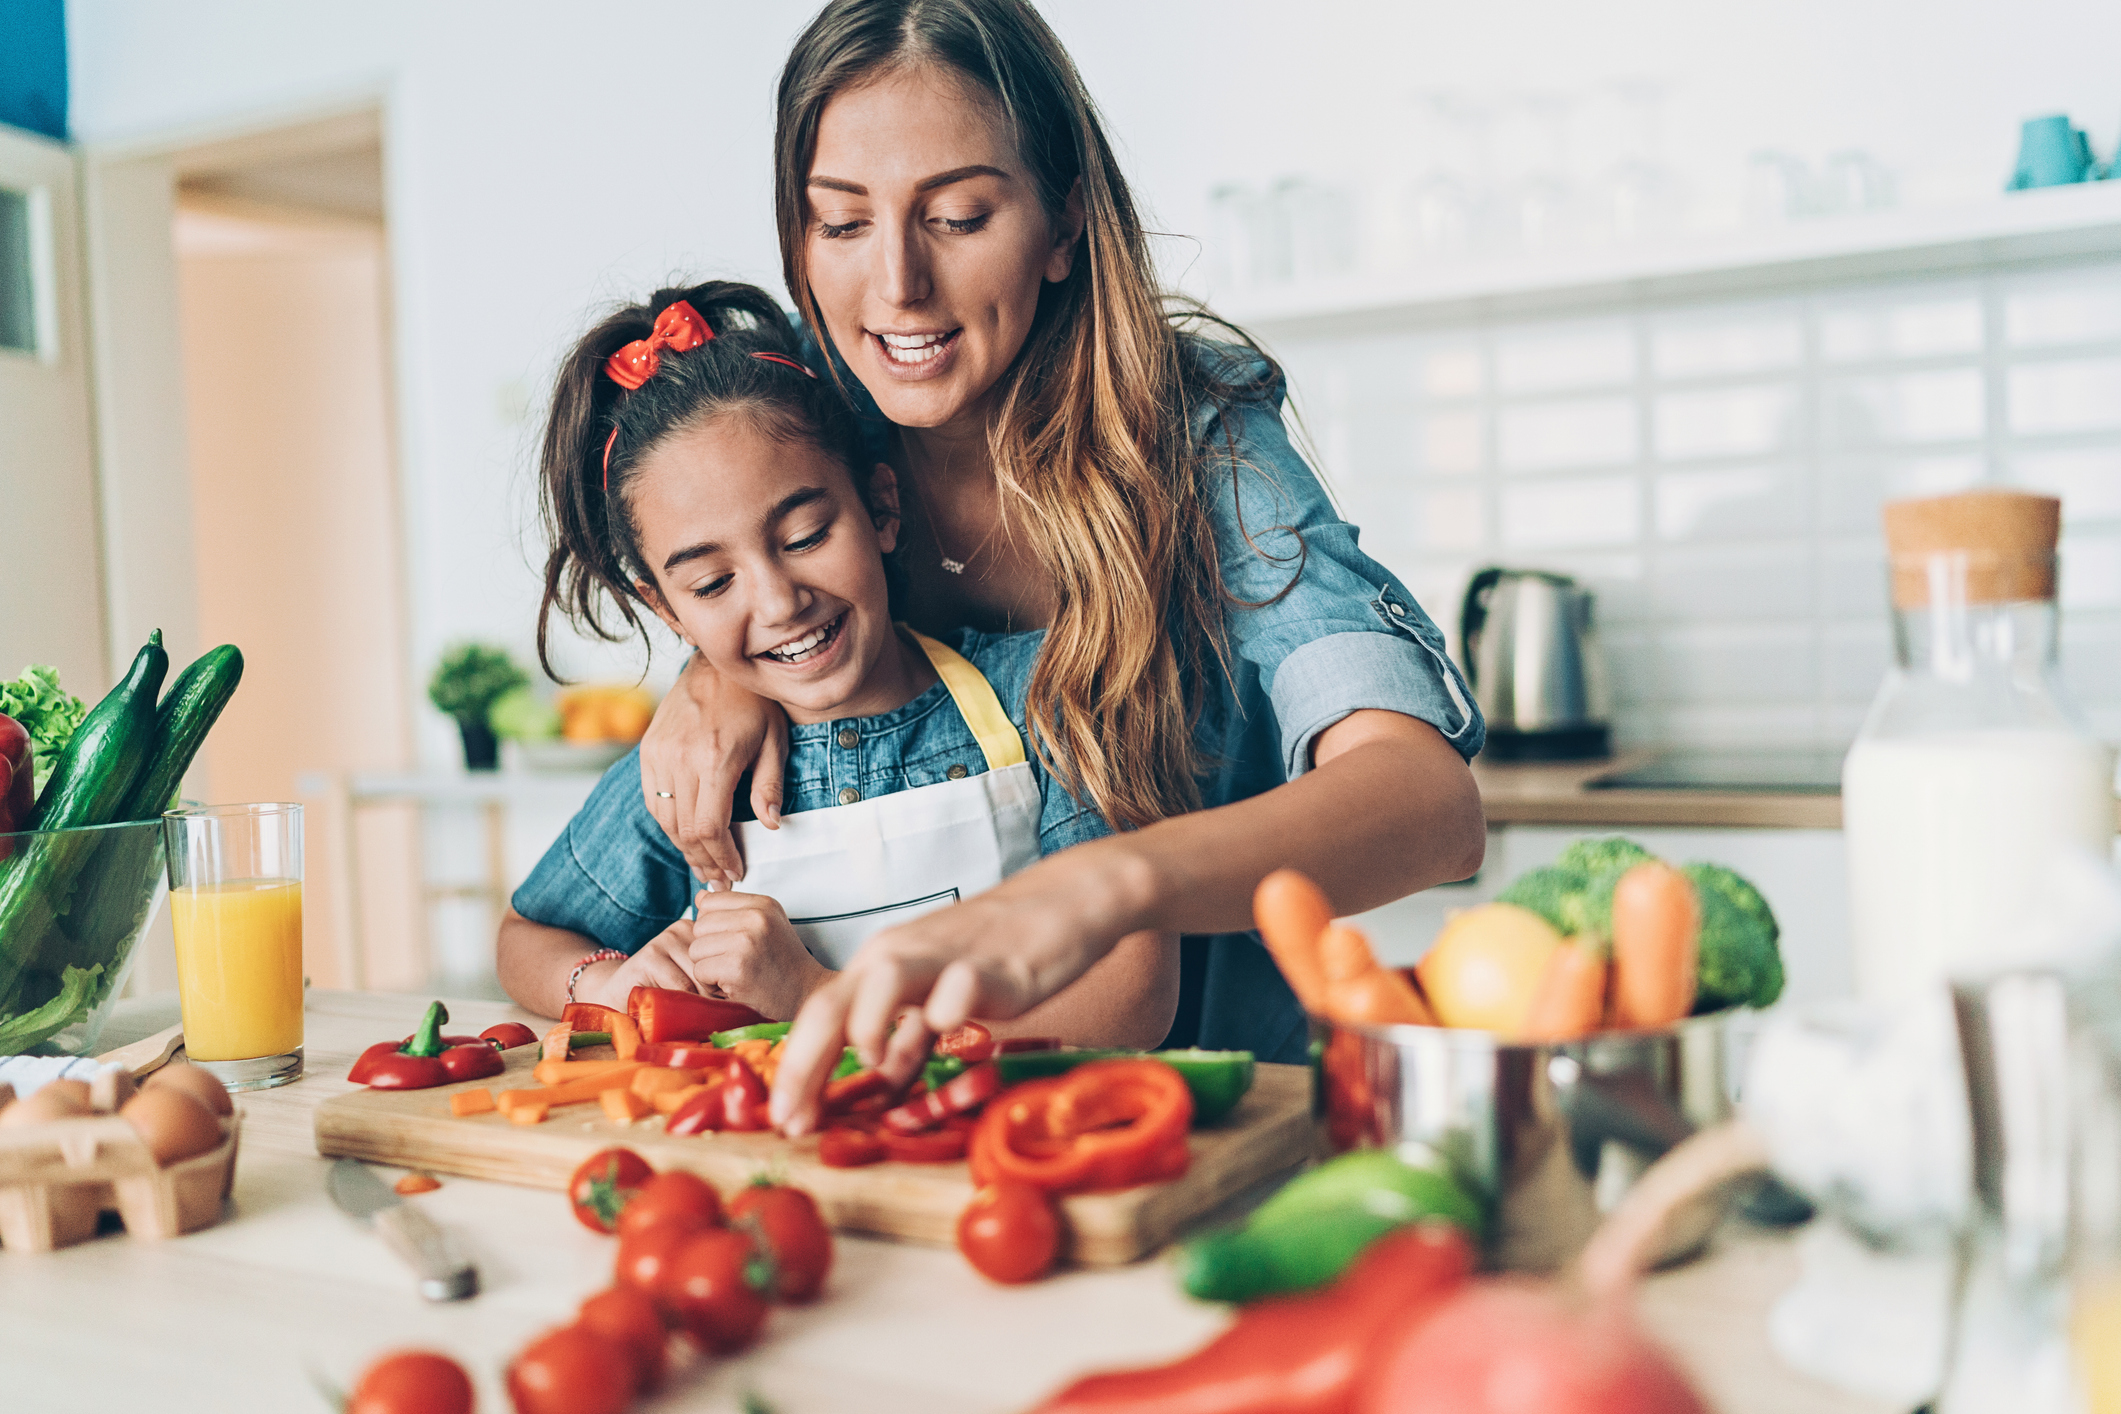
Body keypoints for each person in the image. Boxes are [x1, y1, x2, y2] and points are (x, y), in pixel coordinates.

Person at [632, 0, 1489, 1132]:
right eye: (841, 225)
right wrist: (715, 675)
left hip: (1220, 1126)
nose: (897, 285)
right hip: (902, 1136)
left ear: (1064, 221)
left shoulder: (1200, 438)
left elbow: (1430, 803)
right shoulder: (804, 446)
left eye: (957, 215)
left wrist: (1109, 884)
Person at [495, 279, 1176, 1053]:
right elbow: (526, 935)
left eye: (806, 536)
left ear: (881, 508)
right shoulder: (689, 779)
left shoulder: (1046, 696)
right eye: (713, 584)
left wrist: (819, 997)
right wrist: (606, 983)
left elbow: (1132, 994)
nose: (780, 602)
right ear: (667, 610)